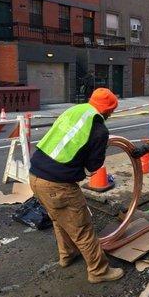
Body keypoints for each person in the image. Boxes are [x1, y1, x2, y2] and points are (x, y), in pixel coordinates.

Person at [29, 88, 124, 284]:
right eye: (111, 111)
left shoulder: (75, 110)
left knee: (59, 218)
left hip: (36, 176)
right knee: (82, 227)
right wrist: (100, 148)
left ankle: (67, 255)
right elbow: (93, 166)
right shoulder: (99, 129)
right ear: (108, 110)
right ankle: (98, 271)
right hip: (58, 184)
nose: (111, 114)